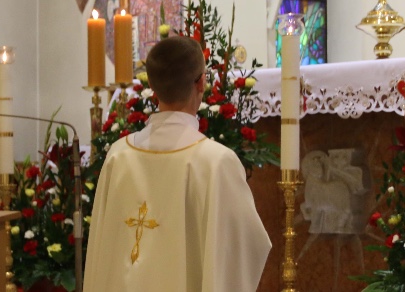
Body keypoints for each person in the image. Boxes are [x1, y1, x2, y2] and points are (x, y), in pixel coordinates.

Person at [84, 36, 271, 292]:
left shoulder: (118, 156)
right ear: (202, 83)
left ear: (152, 86)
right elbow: (245, 248)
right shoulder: (216, 163)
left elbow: (100, 254)